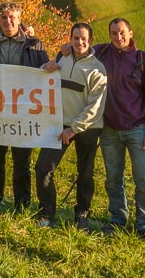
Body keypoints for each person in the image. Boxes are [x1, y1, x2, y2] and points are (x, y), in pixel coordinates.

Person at [94, 18, 145, 238]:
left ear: (131, 33)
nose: (118, 37)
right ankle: (118, 217)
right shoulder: (101, 53)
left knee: (144, 178)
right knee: (113, 178)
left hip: (138, 128)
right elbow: (79, 48)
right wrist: (66, 49)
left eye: (122, 32)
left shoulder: (143, 59)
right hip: (109, 129)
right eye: (114, 33)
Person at [0, 2, 49, 212]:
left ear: (19, 19)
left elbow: (44, 70)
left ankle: (22, 203)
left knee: (22, 159)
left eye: (12, 17)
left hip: (23, 111)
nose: (8, 21)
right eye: (4, 17)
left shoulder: (34, 44)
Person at [35, 22, 106, 229]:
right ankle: (46, 213)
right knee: (43, 168)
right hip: (58, 124)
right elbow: (42, 78)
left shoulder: (98, 69)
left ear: (91, 40)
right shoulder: (62, 57)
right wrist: (44, 67)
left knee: (84, 173)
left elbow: (96, 106)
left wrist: (74, 129)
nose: (79, 42)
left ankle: (81, 214)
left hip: (87, 128)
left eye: (84, 38)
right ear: (70, 39)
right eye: (76, 38)